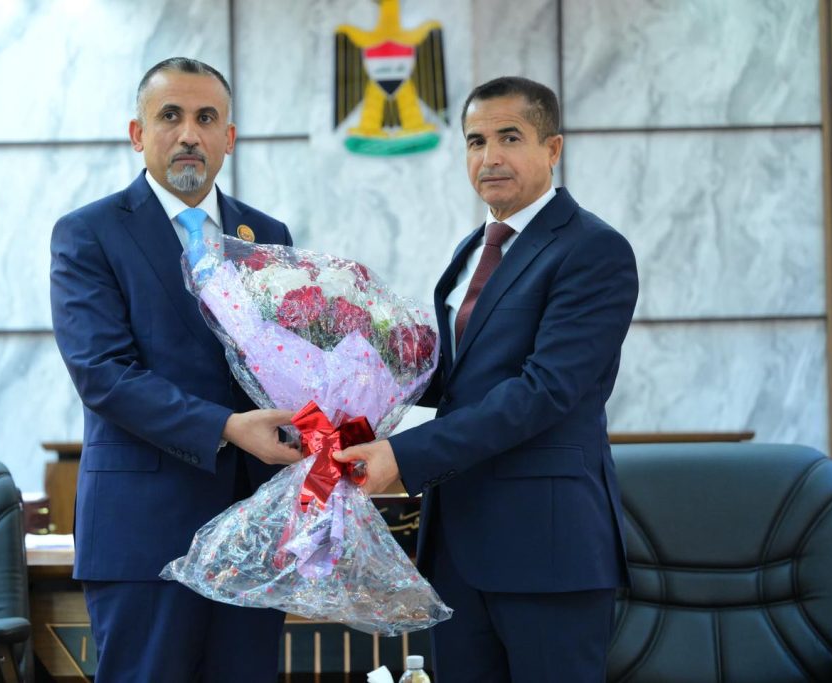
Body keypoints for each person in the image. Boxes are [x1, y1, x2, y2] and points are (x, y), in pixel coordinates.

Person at [335, 76, 639, 682]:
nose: (490, 156)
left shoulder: (593, 249)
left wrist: (402, 455)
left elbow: (543, 391)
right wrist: (345, 377)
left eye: (510, 137)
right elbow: (456, 378)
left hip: (547, 546)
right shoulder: (473, 247)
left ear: (552, 148)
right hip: (458, 543)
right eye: (476, 141)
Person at [50, 57, 301, 682]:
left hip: (254, 528)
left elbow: (291, 364)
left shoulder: (267, 235)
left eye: (206, 118)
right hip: (143, 530)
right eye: (170, 116)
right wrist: (227, 427)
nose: (189, 133)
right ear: (138, 134)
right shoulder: (89, 234)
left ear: (229, 137)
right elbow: (102, 373)